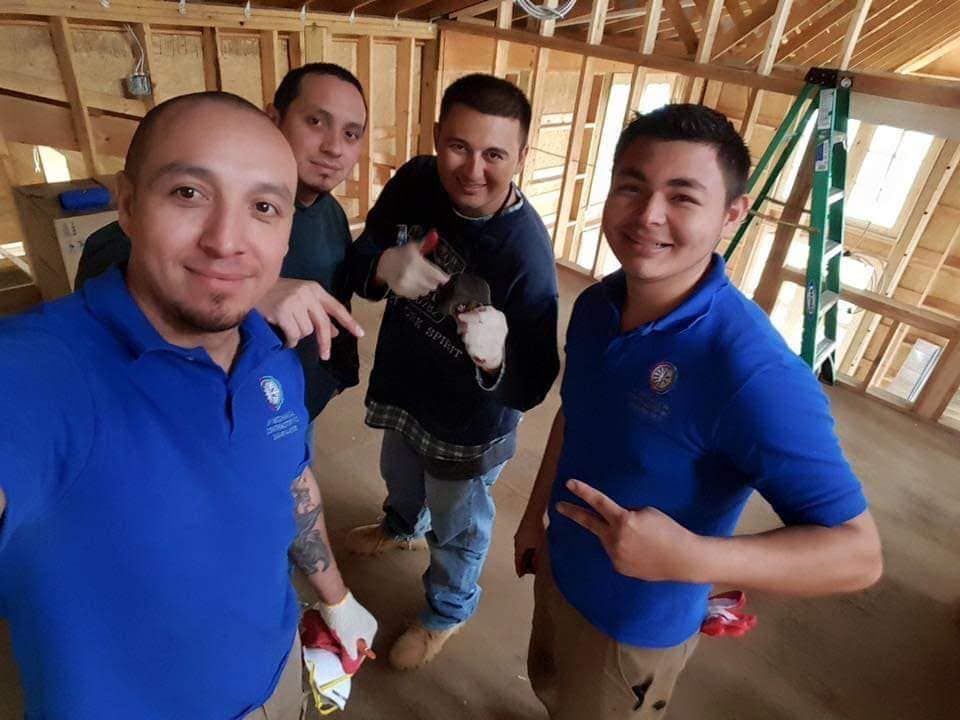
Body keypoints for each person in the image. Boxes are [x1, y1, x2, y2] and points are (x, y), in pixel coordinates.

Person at [0, 92, 376, 720]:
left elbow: (286, 479)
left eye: (262, 207)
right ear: (125, 204)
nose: (226, 241)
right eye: (188, 193)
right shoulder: (45, 371)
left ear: (287, 235)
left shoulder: (271, 354)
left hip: (279, 684)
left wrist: (334, 597)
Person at [514, 104, 884, 720]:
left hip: (635, 623)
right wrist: (534, 520)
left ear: (731, 215)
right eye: (631, 186)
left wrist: (696, 559)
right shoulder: (598, 306)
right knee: (551, 690)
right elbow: (574, 416)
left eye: (682, 197)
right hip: (561, 570)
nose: (647, 216)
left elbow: (858, 555)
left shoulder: (750, 371)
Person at [342, 73, 560, 669]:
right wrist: (385, 263)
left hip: (470, 422)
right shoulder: (416, 179)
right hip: (408, 381)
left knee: (459, 525)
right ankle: (400, 524)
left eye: (495, 154)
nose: (473, 170)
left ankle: (448, 611)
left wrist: (495, 355)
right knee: (400, 473)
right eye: (459, 146)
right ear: (436, 135)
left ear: (521, 154)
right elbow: (362, 254)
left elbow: (537, 378)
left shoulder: (526, 255)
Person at [75, 63, 368, 418]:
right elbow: (109, 262)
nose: (334, 147)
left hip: (291, 405)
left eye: (351, 134)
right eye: (316, 122)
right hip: (201, 412)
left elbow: (338, 300)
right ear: (273, 118)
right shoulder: (117, 247)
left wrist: (337, 375)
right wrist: (254, 292)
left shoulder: (332, 213)